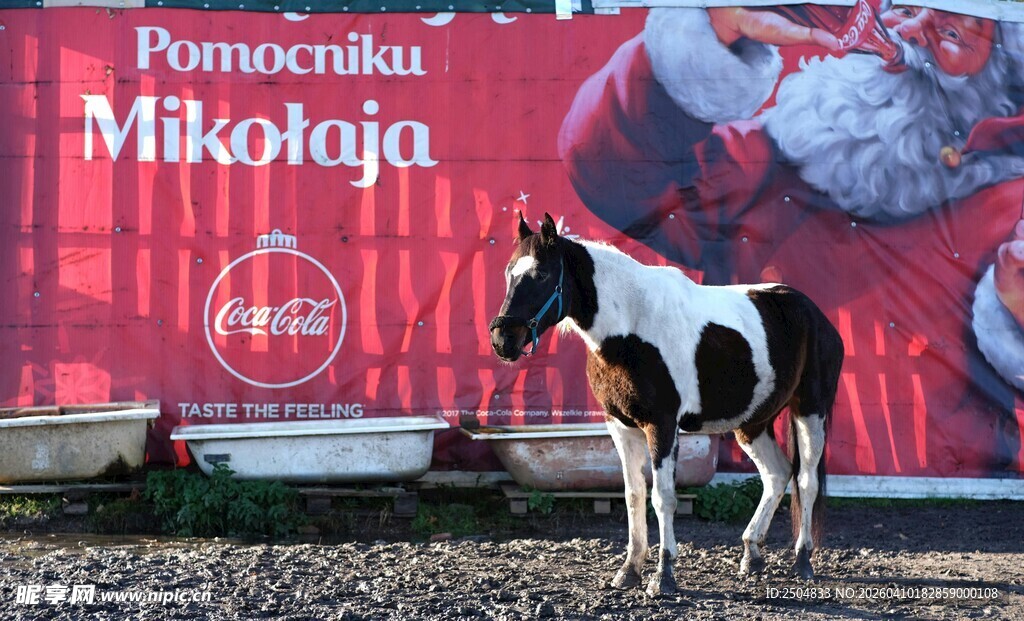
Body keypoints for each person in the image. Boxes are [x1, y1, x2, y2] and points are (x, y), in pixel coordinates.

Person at [559, 3, 1024, 476]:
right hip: (761, 467)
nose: (910, 33)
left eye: (951, 33)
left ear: (993, 88)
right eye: (903, 9)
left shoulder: (1005, 214)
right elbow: (607, 168)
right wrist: (708, 40)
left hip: (940, 493)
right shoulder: (773, 157)